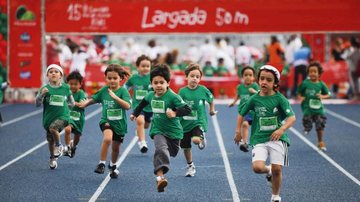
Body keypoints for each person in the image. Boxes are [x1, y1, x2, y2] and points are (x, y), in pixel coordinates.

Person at [233, 65, 296, 202]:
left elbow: (292, 118)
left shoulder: (280, 99)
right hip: (259, 138)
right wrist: (238, 131)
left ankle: (275, 197)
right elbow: (241, 113)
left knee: (277, 169)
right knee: (257, 167)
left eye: (268, 80)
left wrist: (281, 129)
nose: (264, 82)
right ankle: (268, 171)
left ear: (275, 83)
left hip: (277, 138)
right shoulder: (254, 99)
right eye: (262, 79)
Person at [130, 64, 191, 192]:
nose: (158, 85)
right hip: (158, 130)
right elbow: (142, 103)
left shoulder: (173, 96)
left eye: (161, 82)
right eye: (155, 82)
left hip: (174, 132)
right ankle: (160, 178)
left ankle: (161, 174)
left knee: (171, 152)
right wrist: (135, 114)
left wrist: (174, 112)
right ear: (151, 83)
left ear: (168, 83)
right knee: (161, 149)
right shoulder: (150, 95)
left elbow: (187, 109)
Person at [78, 64, 131, 178]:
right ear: (106, 78)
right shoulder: (104, 90)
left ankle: (113, 166)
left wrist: (116, 97)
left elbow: (127, 106)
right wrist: (85, 104)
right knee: (107, 138)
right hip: (106, 121)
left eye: (115, 78)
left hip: (120, 124)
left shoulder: (123, 92)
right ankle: (101, 164)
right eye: (109, 78)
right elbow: (94, 99)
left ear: (120, 79)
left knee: (116, 148)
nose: (112, 81)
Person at [178, 63, 217, 177]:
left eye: (197, 77)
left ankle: (201, 136)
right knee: (185, 147)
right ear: (186, 77)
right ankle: (190, 166)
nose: (195, 78)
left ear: (200, 79)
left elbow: (211, 99)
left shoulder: (203, 90)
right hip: (185, 123)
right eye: (192, 76)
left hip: (198, 121)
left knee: (195, 140)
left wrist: (212, 110)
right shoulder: (182, 91)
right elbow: (178, 105)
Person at [35, 64, 75, 169]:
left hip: (63, 116)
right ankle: (53, 157)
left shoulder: (66, 88)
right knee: (50, 140)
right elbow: (37, 104)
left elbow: (72, 102)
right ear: (47, 75)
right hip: (49, 117)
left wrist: (67, 112)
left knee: (53, 128)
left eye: (56, 72)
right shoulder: (44, 88)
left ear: (60, 75)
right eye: (51, 71)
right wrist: (41, 95)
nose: (53, 73)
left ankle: (59, 146)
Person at [296, 61, 331, 151]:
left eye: (315, 72)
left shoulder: (321, 84)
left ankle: (320, 141)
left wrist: (322, 96)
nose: (312, 73)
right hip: (307, 109)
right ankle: (307, 126)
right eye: (311, 71)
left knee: (320, 124)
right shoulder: (305, 83)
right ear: (308, 73)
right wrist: (301, 97)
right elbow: (298, 92)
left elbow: (328, 94)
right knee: (308, 123)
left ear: (319, 73)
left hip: (319, 109)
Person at [125, 55, 152, 153]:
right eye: (143, 66)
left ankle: (139, 131)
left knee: (146, 125)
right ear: (137, 67)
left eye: (148, 66)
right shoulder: (134, 78)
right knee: (140, 121)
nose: (145, 68)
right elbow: (126, 86)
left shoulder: (152, 77)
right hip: (138, 105)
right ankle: (142, 143)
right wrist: (124, 94)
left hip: (150, 107)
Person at [229, 66, 260, 152]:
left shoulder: (255, 86)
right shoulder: (240, 87)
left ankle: (258, 144)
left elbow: (260, 95)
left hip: (254, 112)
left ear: (254, 77)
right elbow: (237, 96)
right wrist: (234, 102)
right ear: (242, 76)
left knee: (256, 129)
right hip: (244, 111)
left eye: (250, 75)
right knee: (245, 125)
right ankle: (245, 143)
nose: (248, 77)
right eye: (245, 75)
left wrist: (254, 91)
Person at [63, 71, 87, 158]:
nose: (73, 86)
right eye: (71, 84)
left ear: (80, 85)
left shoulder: (81, 93)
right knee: (67, 130)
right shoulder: (65, 93)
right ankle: (68, 147)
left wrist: (72, 102)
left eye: (75, 84)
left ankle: (74, 146)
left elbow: (82, 105)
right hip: (68, 117)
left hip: (79, 119)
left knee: (77, 136)